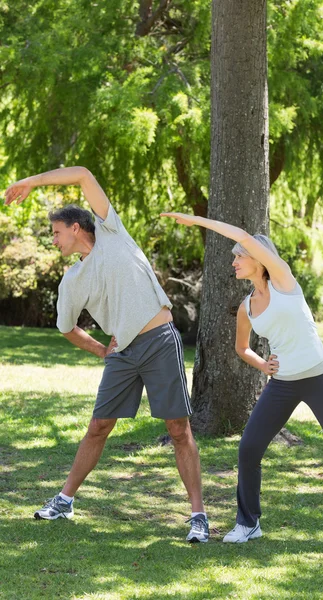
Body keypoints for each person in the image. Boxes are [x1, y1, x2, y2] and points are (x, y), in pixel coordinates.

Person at [161, 211, 323, 556]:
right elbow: (242, 348)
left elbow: (243, 233)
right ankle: (248, 522)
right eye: (234, 256)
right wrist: (263, 364)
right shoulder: (247, 307)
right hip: (283, 383)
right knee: (249, 448)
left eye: (240, 255)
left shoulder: (284, 280)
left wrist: (198, 222)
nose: (234, 261)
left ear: (259, 259)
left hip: (319, 376)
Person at [4, 167, 209, 543]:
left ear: (76, 227)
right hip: (123, 354)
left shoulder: (112, 232)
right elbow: (66, 328)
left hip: (160, 340)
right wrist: (102, 349)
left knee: (178, 430)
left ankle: (198, 516)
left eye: (55, 232)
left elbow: (82, 175)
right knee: (98, 426)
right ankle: (65, 501)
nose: (54, 240)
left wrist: (31, 182)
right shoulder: (72, 280)